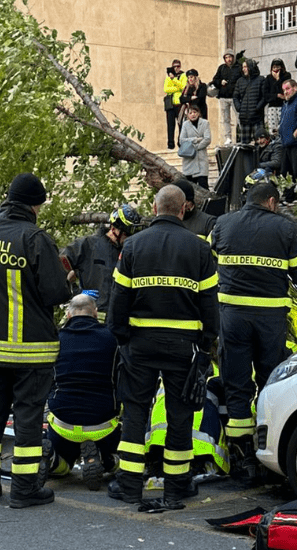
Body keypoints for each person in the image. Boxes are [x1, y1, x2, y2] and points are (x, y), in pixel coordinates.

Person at [106, 185, 219, 508]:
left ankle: (130, 486)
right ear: (183, 210)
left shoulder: (132, 246)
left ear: (154, 209)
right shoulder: (200, 249)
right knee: (180, 418)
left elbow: (118, 299)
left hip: (140, 345)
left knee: (135, 413)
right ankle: (175, 488)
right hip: (183, 347)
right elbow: (209, 302)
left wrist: (121, 337)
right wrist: (207, 342)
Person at [212, 182, 297, 477]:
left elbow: (207, 261)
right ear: (272, 202)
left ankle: (242, 457)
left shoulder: (223, 224)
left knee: (236, 383)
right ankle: (269, 451)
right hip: (269, 320)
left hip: (232, 318)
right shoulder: (284, 228)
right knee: (270, 382)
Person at [0, 173, 72, 508]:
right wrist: (68, 279)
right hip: (30, 350)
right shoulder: (34, 237)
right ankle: (24, 490)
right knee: (27, 420)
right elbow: (56, 293)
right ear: (35, 204)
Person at [43, 294, 120, 491]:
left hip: (63, 423)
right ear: (95, 313)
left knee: (63, 468)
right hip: (102, 423)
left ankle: (52, 460)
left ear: (69, 315)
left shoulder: (56, 339)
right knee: (122, 462)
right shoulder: (112, 339)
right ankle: (106, 460)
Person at [61, 204, 142, 317]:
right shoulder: (88, 245)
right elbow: (60, 264)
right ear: (113, 229)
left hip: (117, 318)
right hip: (90, 316)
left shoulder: (129, 252)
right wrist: (75, 292)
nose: (129, 239)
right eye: (126, 235)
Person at [211, 49, 241, 145]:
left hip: (235, 97)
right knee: (225, 119)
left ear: (233, 57)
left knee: (239, 117)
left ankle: (241, 135)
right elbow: (215, 79)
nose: (228, 59)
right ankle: (228, 138)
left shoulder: (239, 67)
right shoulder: (221, 68)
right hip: (223, 97)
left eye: (230, 57)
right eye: (226, 57)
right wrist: (220, 82)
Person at [178, 104, 212, 190]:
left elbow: (207, 139)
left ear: (198, 113)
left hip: (201, 160)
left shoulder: (205, 123)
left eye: (194, 112)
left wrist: (196, 147)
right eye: (190, 113)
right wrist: (196, 139)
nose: (193, 114)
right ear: (187, 115)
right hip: (189, 160)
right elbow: (182, 140)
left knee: (203, 186)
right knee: (189, 188)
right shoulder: (185, 124)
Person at [233, 58, 265, 144]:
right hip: (244, 118)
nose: (243, 69)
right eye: (243, 67)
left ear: (251, 67)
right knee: (244, 145)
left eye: (245, 67)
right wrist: (239, 108)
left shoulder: (261, 79)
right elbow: (235, 97)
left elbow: (264, 97)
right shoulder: (240, 81)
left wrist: (257, 108)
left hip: (257, 117)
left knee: (260, 143)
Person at [263, 58, 290, 135]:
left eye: (278, 67)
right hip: (272, 107)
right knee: (273, 131)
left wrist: (278, 80)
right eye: (274, 67)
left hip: (283, 105)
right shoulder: (268, 78)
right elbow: (266, 95)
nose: (276, 69)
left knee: (284, 127)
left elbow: (284, 90)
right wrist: (276, 95)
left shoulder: (286, 76)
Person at [164, 59, 187, 149]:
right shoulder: (168, 77)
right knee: (170, 125)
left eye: (178, 66)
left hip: (179, 103)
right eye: (174, 66)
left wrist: (174, 80)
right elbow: (166, 89)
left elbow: (183, 87)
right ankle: (170, 143)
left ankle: (180, 142)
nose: (176, 68)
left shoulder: (183, 75)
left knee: (181, 124)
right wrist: (177, 87)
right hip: (170, 103)